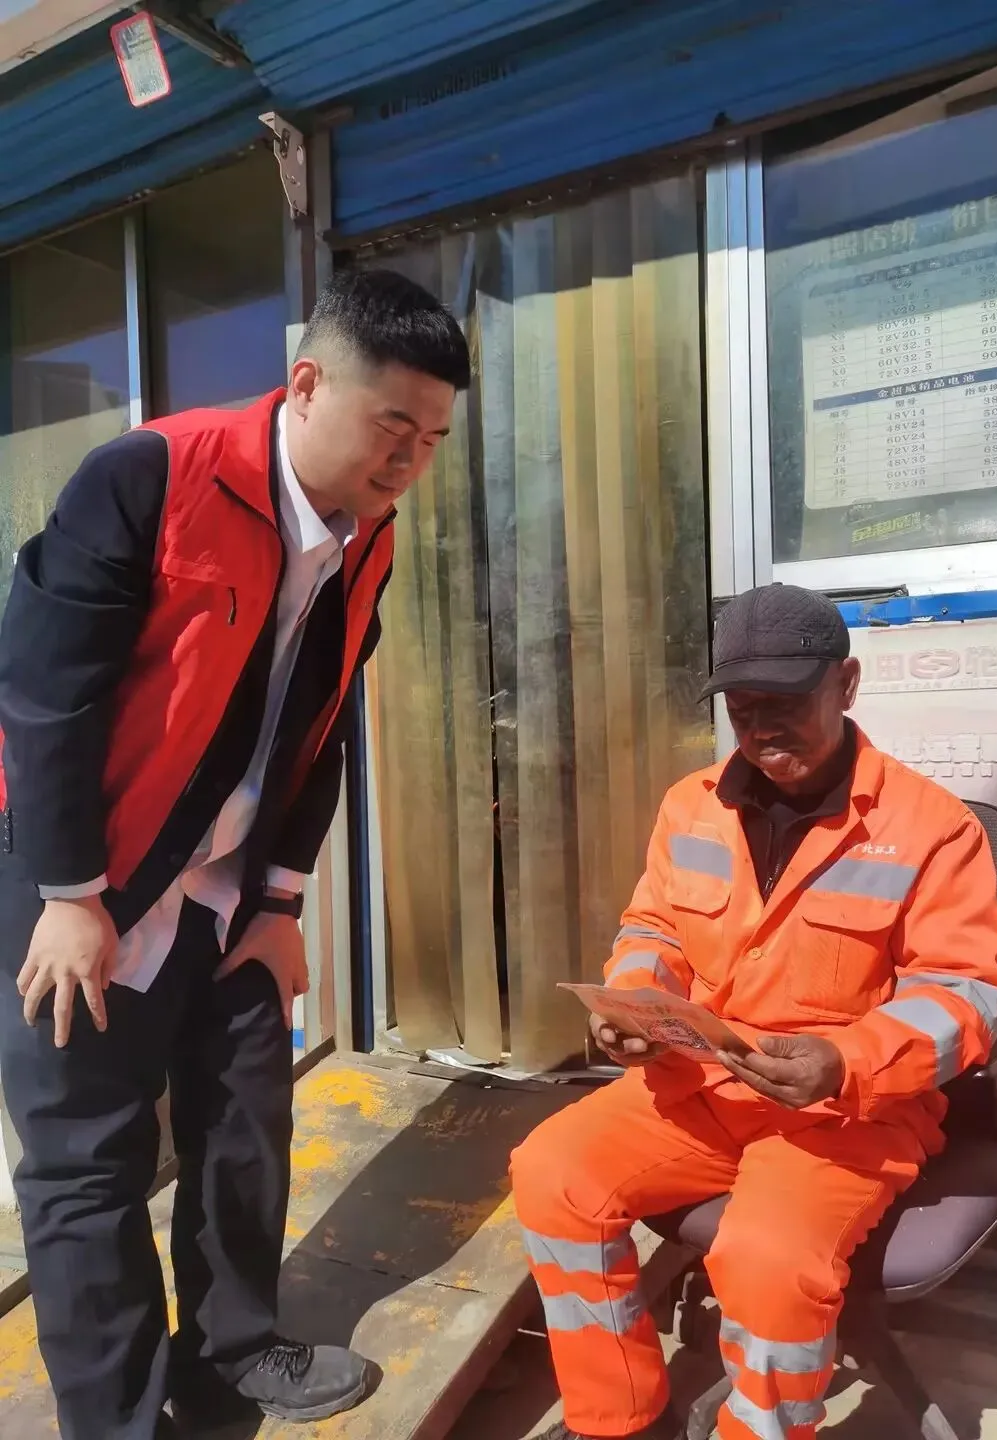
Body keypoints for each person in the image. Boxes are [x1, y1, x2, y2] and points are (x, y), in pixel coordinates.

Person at [0, 268, 470, 1439]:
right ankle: (116, 1419)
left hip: (223, 884)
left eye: (433, 437)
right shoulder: (152, 477)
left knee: (245, 1114)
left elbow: (324, 721)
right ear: (306, 384)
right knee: (88, 1162)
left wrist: (281, 901)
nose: (410, 458)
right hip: (81, 877)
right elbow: (44, 696)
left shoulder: (366, 536)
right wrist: (69, 896)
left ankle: (232, 1353)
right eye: (393, 424)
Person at [510, 583, 997, 1440]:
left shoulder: (932, 828)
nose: (761, 731)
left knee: (767, 1259)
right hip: (698, 1091)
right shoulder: (692, 804)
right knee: (552, 1173)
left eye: (784, 705)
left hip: (844, 1115)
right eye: (742, 710)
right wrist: (634, 1003)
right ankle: (619, 1419)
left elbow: (968, 993)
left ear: (846, 685)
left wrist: (846, 1062)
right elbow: (654, 928)